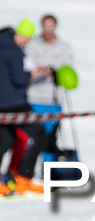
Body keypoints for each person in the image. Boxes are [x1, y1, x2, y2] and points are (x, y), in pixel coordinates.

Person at [0, 20, 48, 195]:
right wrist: (33, 74)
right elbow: (20, 79)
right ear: (24, 35)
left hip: (2, 105)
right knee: (39, 134)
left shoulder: (2, 44)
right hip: (14, 103)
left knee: (5, 141)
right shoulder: (14, 51)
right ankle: (23, 179)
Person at [26, 14, 75, 162]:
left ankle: (47, 174)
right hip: (33, 100)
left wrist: (53, 72)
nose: (48, 30)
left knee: (49, 140)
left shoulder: (65, 47)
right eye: (45, 26)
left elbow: (68, 74)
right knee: (31, 139)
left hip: (53, 102)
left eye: (51, 26)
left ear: (56, 27)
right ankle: (27, 173)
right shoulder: (32, 45)